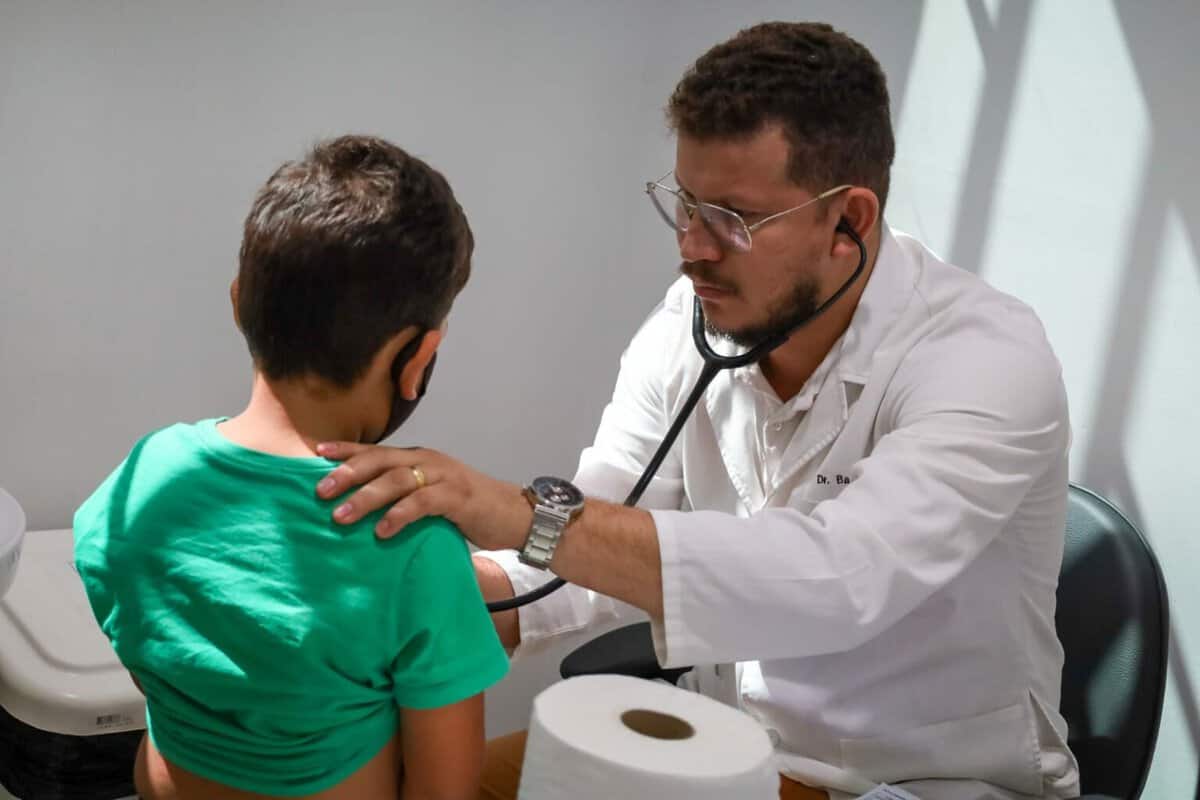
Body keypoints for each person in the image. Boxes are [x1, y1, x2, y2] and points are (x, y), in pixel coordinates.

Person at [313, 22, 1080, 800]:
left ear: (849, 221)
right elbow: (608, 530)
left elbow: (832, 581)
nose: (691, 248)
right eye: (684, 203)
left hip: (907, 780)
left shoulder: (986, 359)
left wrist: (513, 512)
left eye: (732, 220)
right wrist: (455, 590)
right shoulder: (698, 316)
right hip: (717, 749)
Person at [73, 135, 509, 800]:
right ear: (417, 357)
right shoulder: (411, 541)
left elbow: (154, 650)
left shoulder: (145, 477)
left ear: (239, 301)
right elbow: (443, 791)